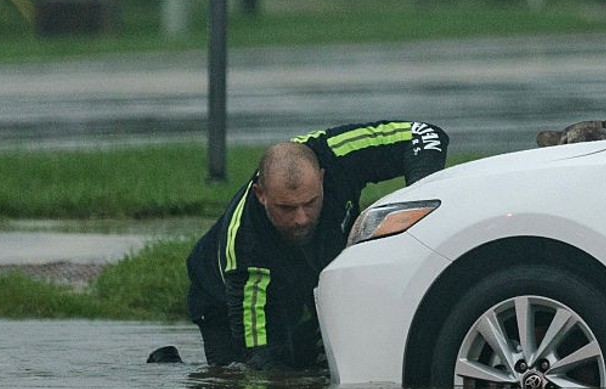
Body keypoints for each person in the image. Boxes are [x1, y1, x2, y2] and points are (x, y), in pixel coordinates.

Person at [186, 120, 448, 371]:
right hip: (219, 297)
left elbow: (424, 134)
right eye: (286, 208)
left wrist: (420, 202)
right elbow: (259, 357)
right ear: (261, 195)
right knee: (239, 376)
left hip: (309, 273)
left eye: (310, 203)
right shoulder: (245, 245)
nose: (301, 219)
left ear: (323, 179)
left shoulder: (337, 153)